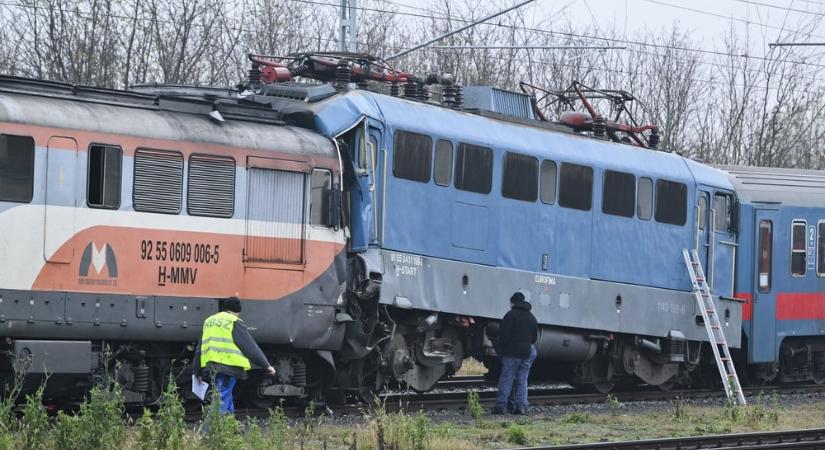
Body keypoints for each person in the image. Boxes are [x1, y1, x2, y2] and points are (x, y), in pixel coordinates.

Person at [193, 296, 276, 414]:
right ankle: (209, 431)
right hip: (228, 368)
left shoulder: (209, 321)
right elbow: (249, 346)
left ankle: (230, 429)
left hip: (211, 367)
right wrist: (266, 365)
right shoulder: (233, 321)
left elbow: (199, 349)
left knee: (226, 396)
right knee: (221, 400)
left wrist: (197, 371)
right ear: (236, 311)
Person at [492, 291, 538, 415]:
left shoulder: (510, 315)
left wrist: (501, 348)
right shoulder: (531, 317)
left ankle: (500, 407)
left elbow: (504, 336)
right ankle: (521, 407)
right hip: (527, 352)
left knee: (507, 379)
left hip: (511, 353)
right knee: (522, 380)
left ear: (512, 302)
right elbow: (534, 338)